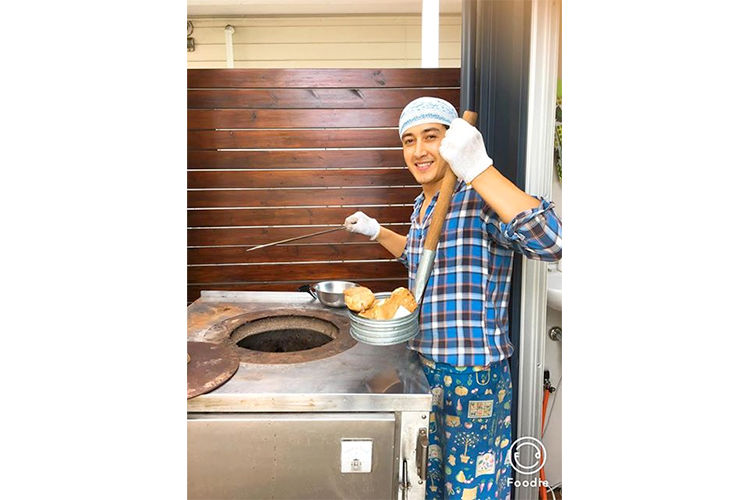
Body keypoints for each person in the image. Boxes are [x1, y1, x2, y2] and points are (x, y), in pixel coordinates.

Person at [344, 97, 562, 500]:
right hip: (422, 364)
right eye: (409, 140)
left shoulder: (479, 199)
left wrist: (480, 169)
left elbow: (551, 242)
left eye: (431, 136)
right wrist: (377, 232)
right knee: (427, 481)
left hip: (472, 375)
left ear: (452, 142)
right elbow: (421, 261)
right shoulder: (423, 204)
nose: (418, 151)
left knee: (472, 489)